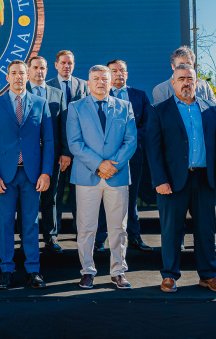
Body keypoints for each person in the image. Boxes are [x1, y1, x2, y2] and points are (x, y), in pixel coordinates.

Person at [145, 64, 216, 294]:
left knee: (206, 230)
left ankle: (209, 276)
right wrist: (159, 180)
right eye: (181, 78)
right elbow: (153, 151)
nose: (186, 82)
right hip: (172, 182)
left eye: (190, 78)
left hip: (205, 180)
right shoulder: (159, 110)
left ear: (197, 82)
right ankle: (170, 276)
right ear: (172, 83)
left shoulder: (210, 109)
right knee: (171, 230)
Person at [0, 60, 54, 289]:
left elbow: (49, 141)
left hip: (32, 174)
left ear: (28, 76)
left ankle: (33, 270)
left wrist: (46, 172)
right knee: (4, 223)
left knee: (31, 223)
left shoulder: (40, 103)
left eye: (21, 73)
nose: (18, 77)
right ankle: (6, 269)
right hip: (4, 175)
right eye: (13, 73)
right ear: (7, 77)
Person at [67, 65, 137, 290]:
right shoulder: (75, 107)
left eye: (104, 79)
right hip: (88, 176)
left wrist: (112, 165)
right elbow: (75, 143)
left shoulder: (125, 107)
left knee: (119, 227)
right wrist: (99, 165)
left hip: (117, 176)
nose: (100, 82)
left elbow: (131, 140)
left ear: (110, 82)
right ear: (88, 83)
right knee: (86, 227)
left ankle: (118, 271)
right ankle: (87, 270)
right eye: (95, 79)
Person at [94, 60, 153, 252]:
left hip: (133, 156)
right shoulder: (100, 95)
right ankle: (100, 238)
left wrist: (130, 142)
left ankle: (134, 237)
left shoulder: (139, 96)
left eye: (122, 71)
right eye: (114, 71)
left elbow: (148, 124)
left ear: (127, 74)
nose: (119, 73)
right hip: (106, 160)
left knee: (130, 197)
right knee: (104, 197)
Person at [25, 56, 71, 253]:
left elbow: (64, 125)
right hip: (25, 157)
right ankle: (28, 236)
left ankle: (51, 237)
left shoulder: (57, 94)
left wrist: (65, 152)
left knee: (51, 197)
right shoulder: (20, 92)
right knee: (27, 198)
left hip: (51, 155)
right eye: (35, 68)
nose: (39, 71)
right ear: (29, 71)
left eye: (42, 68)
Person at [46, 50, 89, 238]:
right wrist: (63, 151)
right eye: (63, 63)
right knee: (53, 195)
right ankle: (53, 235)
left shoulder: (84, 86)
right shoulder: (47, 87)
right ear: (56, 65)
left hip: (80, 151)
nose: (67, 66)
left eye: (70, 63)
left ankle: (81, 232)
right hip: (57, 152)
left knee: (79, 195)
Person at [152, 46, 216, 105]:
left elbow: (215, 110)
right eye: (181, 64)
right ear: (173, 66)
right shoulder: (161, 90)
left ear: (193, 66)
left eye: (188, 64)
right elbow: (162, 115)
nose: (185, 68)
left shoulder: (204, 86)